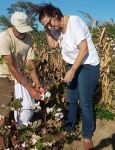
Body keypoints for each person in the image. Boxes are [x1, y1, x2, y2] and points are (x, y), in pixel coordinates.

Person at [34, 3, 100, 150]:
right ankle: (69, 128)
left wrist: (72, 71)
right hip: (74, 65)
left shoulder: (74, 22)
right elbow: (52, 46)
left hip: (88, 65)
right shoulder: (57, 29)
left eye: (49, 23)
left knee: (84, 101)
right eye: (46, 25)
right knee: (71, 99)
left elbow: (84, 49)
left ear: (56, 15)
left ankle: (87, 135)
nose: (49, 27)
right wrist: (47, 29)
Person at [0, 11, 44, 149]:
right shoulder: (4, 38)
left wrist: (37, 85)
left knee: (20, 112)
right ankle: (2, 146)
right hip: (5, 76)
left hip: (20, 77)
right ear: (12, 26)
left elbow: (29, 64)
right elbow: (10, 67)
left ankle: (15, 141)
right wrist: (29, 88)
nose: (23, 33)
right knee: (3, 115)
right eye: (20, 29)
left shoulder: (28, 38)